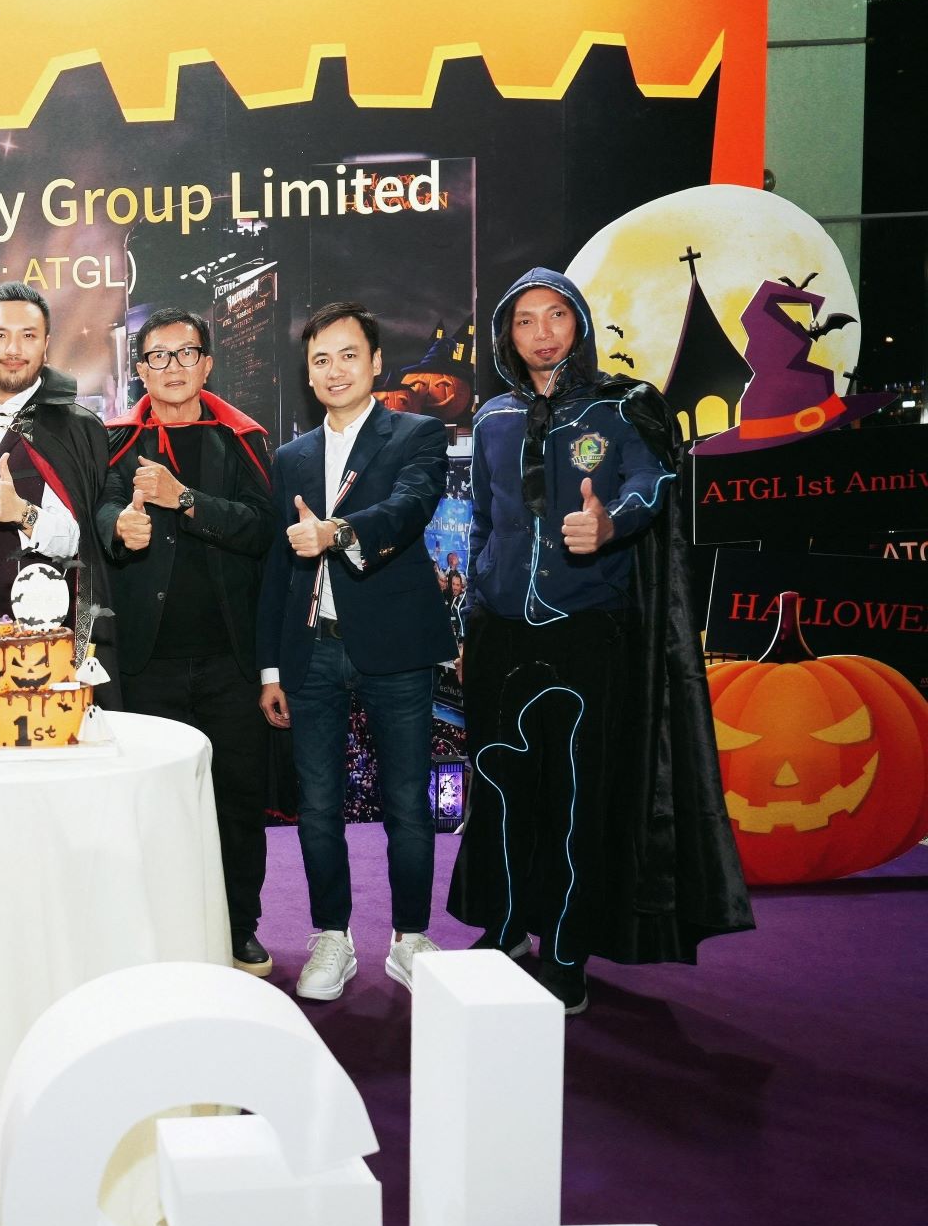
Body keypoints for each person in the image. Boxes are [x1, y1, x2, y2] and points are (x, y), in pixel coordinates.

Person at [447, 268, 752, 1014]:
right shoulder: (491, 420)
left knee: (581, 798)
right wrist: (470, 621)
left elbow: (653, 487)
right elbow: (483, 523)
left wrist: (610, 522)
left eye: (556, 315)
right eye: (525, 320)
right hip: (502, 638)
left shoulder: (621, 409)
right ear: (506, 336)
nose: (542, 331)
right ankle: (513, 922)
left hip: (590, 635)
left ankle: (570, 946)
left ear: (579, 324)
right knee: (506, 792)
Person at [257, 301, 456, 1001]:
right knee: (318, 804)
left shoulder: (417, 433)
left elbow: (411, 506)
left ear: (375, 363)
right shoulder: (291, 457)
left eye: (349, 355)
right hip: (312, 653)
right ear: (308, 374)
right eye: (321, 359)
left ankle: (409, 936)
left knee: (407, 799)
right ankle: (331, 937)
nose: (335, 370)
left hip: (395, 646)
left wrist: (337, 532)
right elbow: (278, 570)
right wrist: (271, 666)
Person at [96, 307, 278, 975]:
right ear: (139, 369)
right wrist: (122, 526)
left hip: (230, 658)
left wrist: (187, 500)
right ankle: (160, 933)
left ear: (206, 363)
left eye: (185, 354)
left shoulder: (244, 441)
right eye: (157, 357)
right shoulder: (116, 439)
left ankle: (239, 927)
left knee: (236, 799)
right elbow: (102, 507)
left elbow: (263, 530)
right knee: (152, 807)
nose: (172, 368)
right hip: (147, 662)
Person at [0, 283, 113, 691]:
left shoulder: (79, 428)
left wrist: (23, 515)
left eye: (28, 335)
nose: (13, 348)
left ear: (46, 343)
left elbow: (89, 546)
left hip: (52, 652)